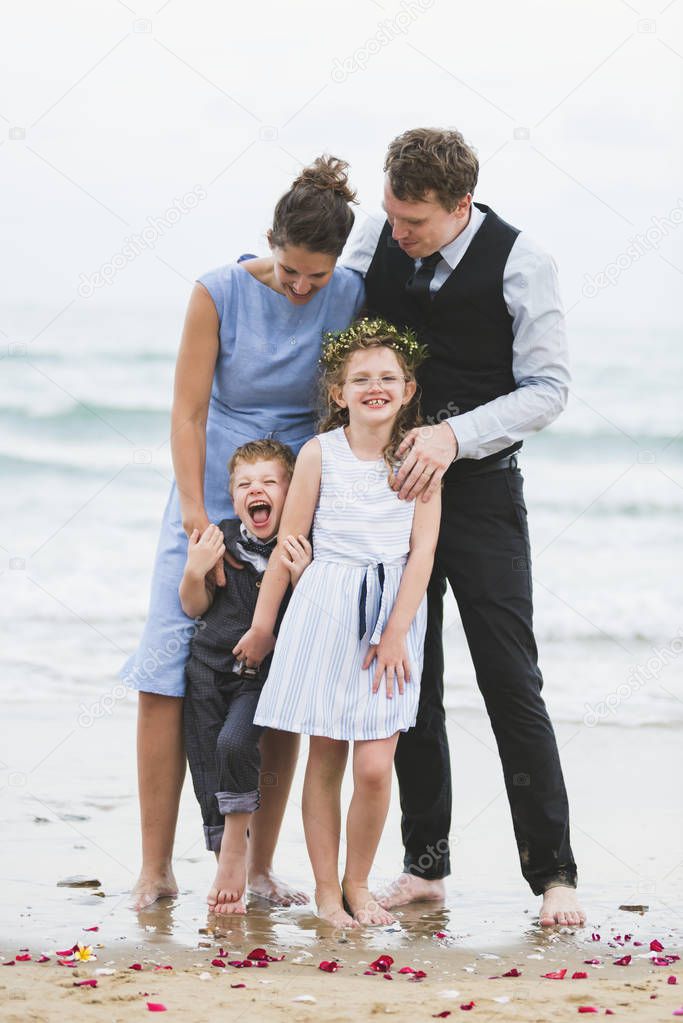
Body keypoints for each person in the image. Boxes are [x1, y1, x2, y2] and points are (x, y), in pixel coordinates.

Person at [343, 127, 585, 927]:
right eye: (391, 214)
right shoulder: (376, 232)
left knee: (510, 681)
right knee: (404, 678)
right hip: (386, 498)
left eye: (414, 221)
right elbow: (333, 323)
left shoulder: (523, 262)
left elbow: (546, 388)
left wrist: (453, 436)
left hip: (480, 493)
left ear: (460, 206)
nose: (397, 233)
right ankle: (424, 866)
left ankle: (553, 874)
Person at [120, 155, 365, 910]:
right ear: (270, 241)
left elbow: (344, 406)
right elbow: (188, 413)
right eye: (290, 270)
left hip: (298, 498)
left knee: (282, 683)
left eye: (315, 278)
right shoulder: (216, 291)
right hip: (209, 495)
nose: (300, 287)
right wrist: (197, 514)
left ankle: (256, 868)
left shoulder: (349, 293)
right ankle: (155, 867)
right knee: (168, 669)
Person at [236, 318, 441, 927]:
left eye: (387, 378)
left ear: (407, 390)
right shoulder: (318, 453)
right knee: (325, 755)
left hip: (393, 611)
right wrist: (265, 622)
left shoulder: (418, 456)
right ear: (338, 392)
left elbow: (423, 551)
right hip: (325, 604)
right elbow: (292, 541)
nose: (373, 387)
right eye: (360, 379)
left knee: (376, 764)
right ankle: (329, 892)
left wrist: (398, 629)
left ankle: (360, 884)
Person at [180, 439, 312, 915]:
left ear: (292, 491)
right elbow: (194, 606)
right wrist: (194, 572)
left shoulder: (301, 547)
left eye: (270, 481)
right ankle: (226, 865)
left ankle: (238, 857)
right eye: (244, 484)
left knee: (236, 745)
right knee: (206, 763)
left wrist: (302, 581)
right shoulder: (220, 538)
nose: (256, 490)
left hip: (258, 677)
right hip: (205, 670)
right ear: (233, 496)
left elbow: (308, 623)